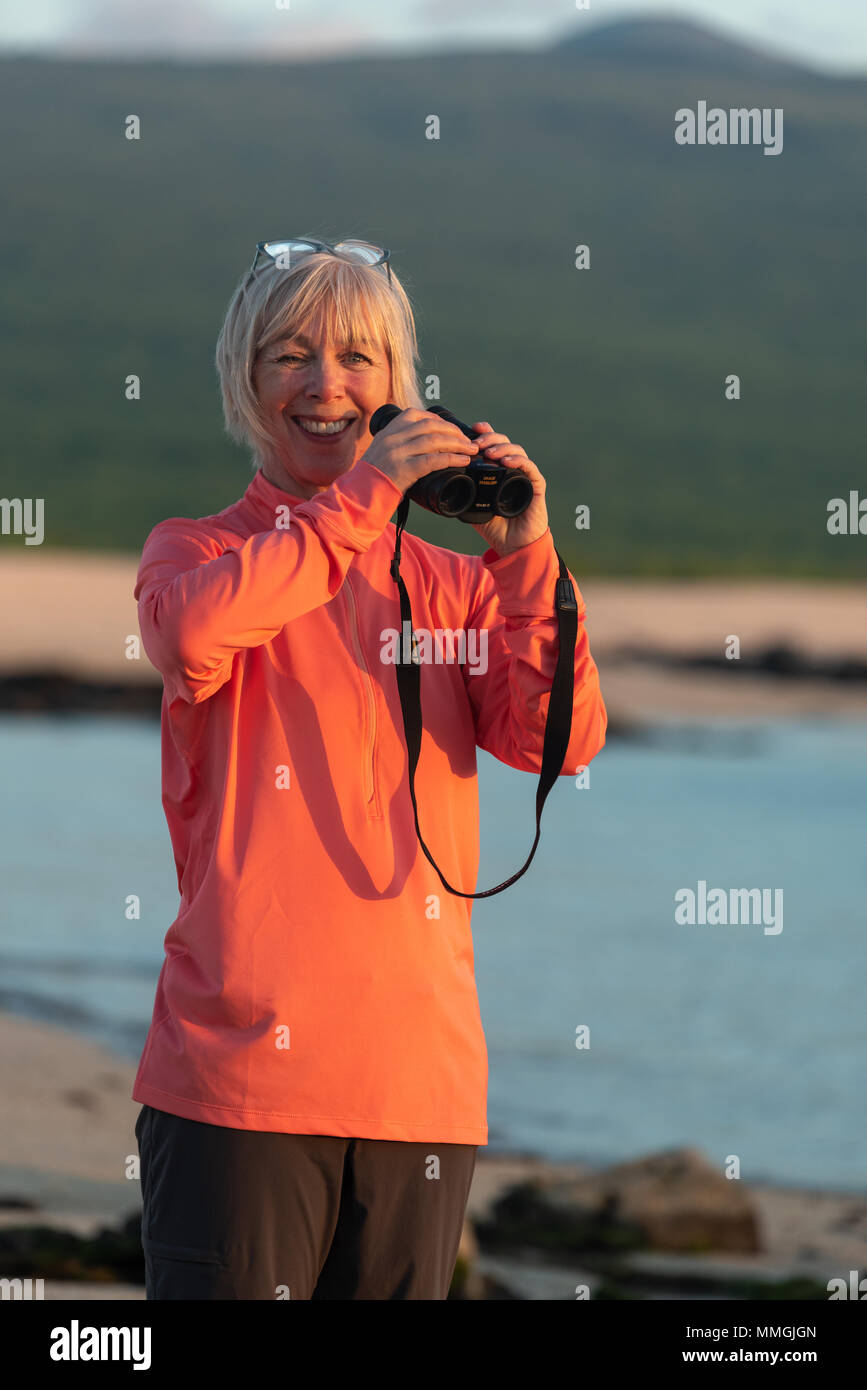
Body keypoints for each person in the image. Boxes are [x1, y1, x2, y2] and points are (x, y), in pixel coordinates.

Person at [132, 236, 607, 1300]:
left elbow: (556, 741)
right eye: (288, 355)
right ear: (244, 383)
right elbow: (198, 636)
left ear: (403, 389)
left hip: (420, 1092)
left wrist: (526, 554)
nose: (324, 384)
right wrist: (361, 506)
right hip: (239, 1084)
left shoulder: (454, 584)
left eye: (358, 358)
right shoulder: (196, 553)